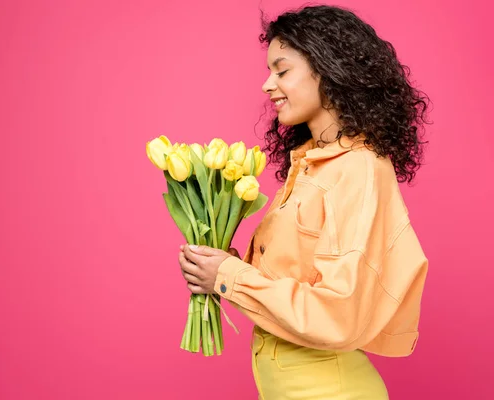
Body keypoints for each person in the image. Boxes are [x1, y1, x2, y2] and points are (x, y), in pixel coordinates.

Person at [178, 4, 431, 400]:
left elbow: (338, 313)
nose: (267, 85)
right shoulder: (311, 165)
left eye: (282, 70)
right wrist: (219, 269)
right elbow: (293, 284)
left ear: (329, 70)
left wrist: (232, 277)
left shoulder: (359, 168)